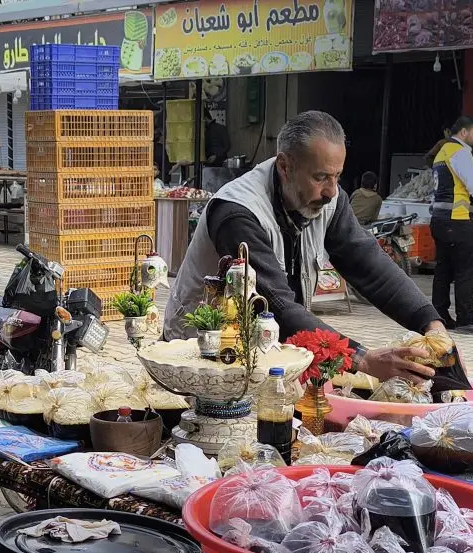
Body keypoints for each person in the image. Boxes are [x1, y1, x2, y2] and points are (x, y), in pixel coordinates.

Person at [164, 111, 449, 384]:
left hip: (264, 355)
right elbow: (277, 307)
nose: (332, 191)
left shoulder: (329, 201)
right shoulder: (238, 213)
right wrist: (363, 360)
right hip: (199, 355)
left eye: (337, 176)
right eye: (320, 177)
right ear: (285, 166)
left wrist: (430, 323)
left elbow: (369, 263)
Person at [430, 116, 473, 335]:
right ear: (464, 133)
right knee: (465, 270)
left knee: (443, 270)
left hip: (439, 219)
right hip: (457, 220)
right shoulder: (460, 152)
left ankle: (440, 315)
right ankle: (466, 319)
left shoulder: (441, 152)